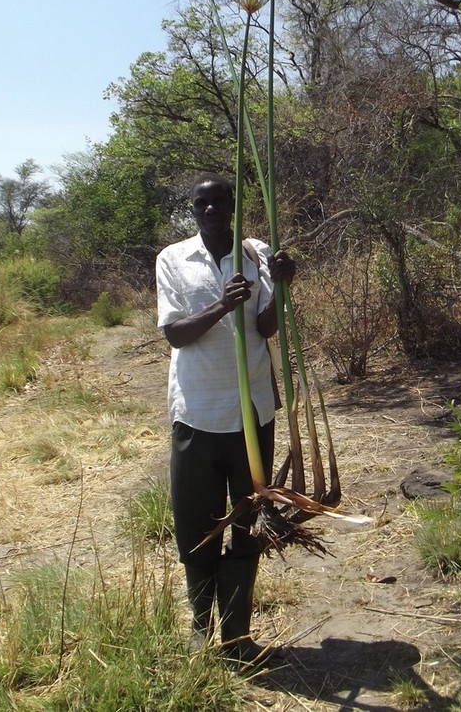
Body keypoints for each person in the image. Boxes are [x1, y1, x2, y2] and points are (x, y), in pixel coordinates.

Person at [155, 173, 295, 665]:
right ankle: (201, 628)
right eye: (202, 203)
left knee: (247, 522)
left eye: (219, 201)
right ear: (192, 209)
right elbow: (175, 334)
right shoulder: (173, 258)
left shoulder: (256, 253)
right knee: (197, 523)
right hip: (195, 412)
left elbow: (265, 328)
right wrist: (222, 304)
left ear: (233, 205)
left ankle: (237, 636)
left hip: (251, 411)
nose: (211, 209)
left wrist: (282, 285)